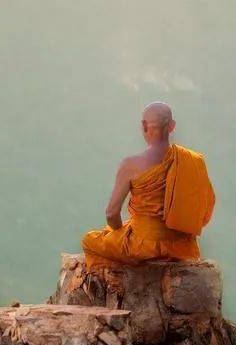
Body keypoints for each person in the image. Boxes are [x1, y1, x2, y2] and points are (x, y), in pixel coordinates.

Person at [81, 102, 215, 269]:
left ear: (144, 126)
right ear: (172, 126)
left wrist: (119, 232)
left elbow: (112, 213)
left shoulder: (130, 165)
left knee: (89, 240)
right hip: (181, 247)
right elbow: (205, 208)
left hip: (143, 247)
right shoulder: (193, 161)